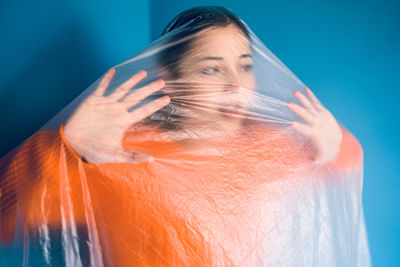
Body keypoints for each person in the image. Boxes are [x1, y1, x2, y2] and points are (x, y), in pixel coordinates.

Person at [0, 6, 370, 267]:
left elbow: (340, 168)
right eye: (211, 69)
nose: (237, 87)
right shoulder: (116, 155)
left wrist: (337, 145)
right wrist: (67, 150)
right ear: (170, 75)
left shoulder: (266, 148)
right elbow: (6, 221)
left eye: (245, 66)